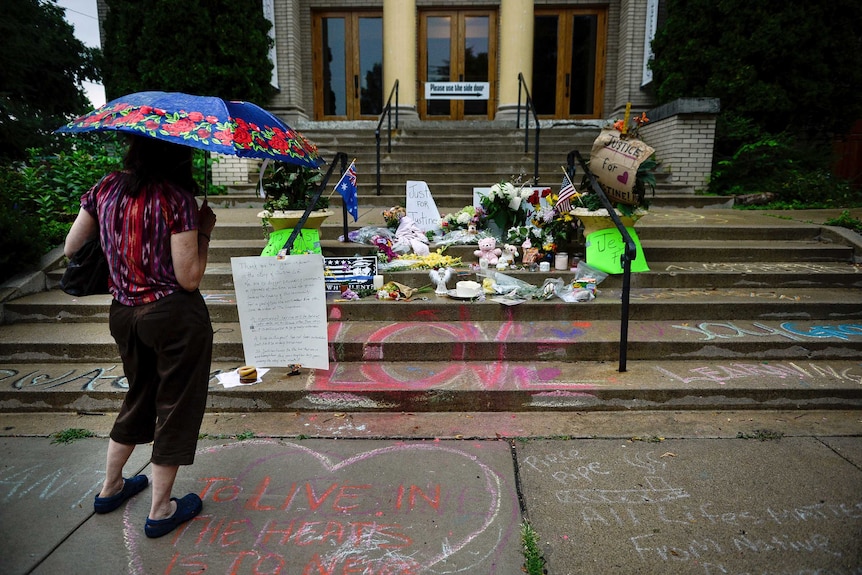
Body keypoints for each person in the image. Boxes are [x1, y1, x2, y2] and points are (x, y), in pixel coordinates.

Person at [64, 135, 216, 538]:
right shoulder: (176, 199)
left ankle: (111, 486)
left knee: (139, 396)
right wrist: (203, 232)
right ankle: (162, 509)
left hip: (124, 314)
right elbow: (189, 278)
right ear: (177, 154)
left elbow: (70, 248)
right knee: (176, 404)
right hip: (172, 317)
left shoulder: (105, 187)